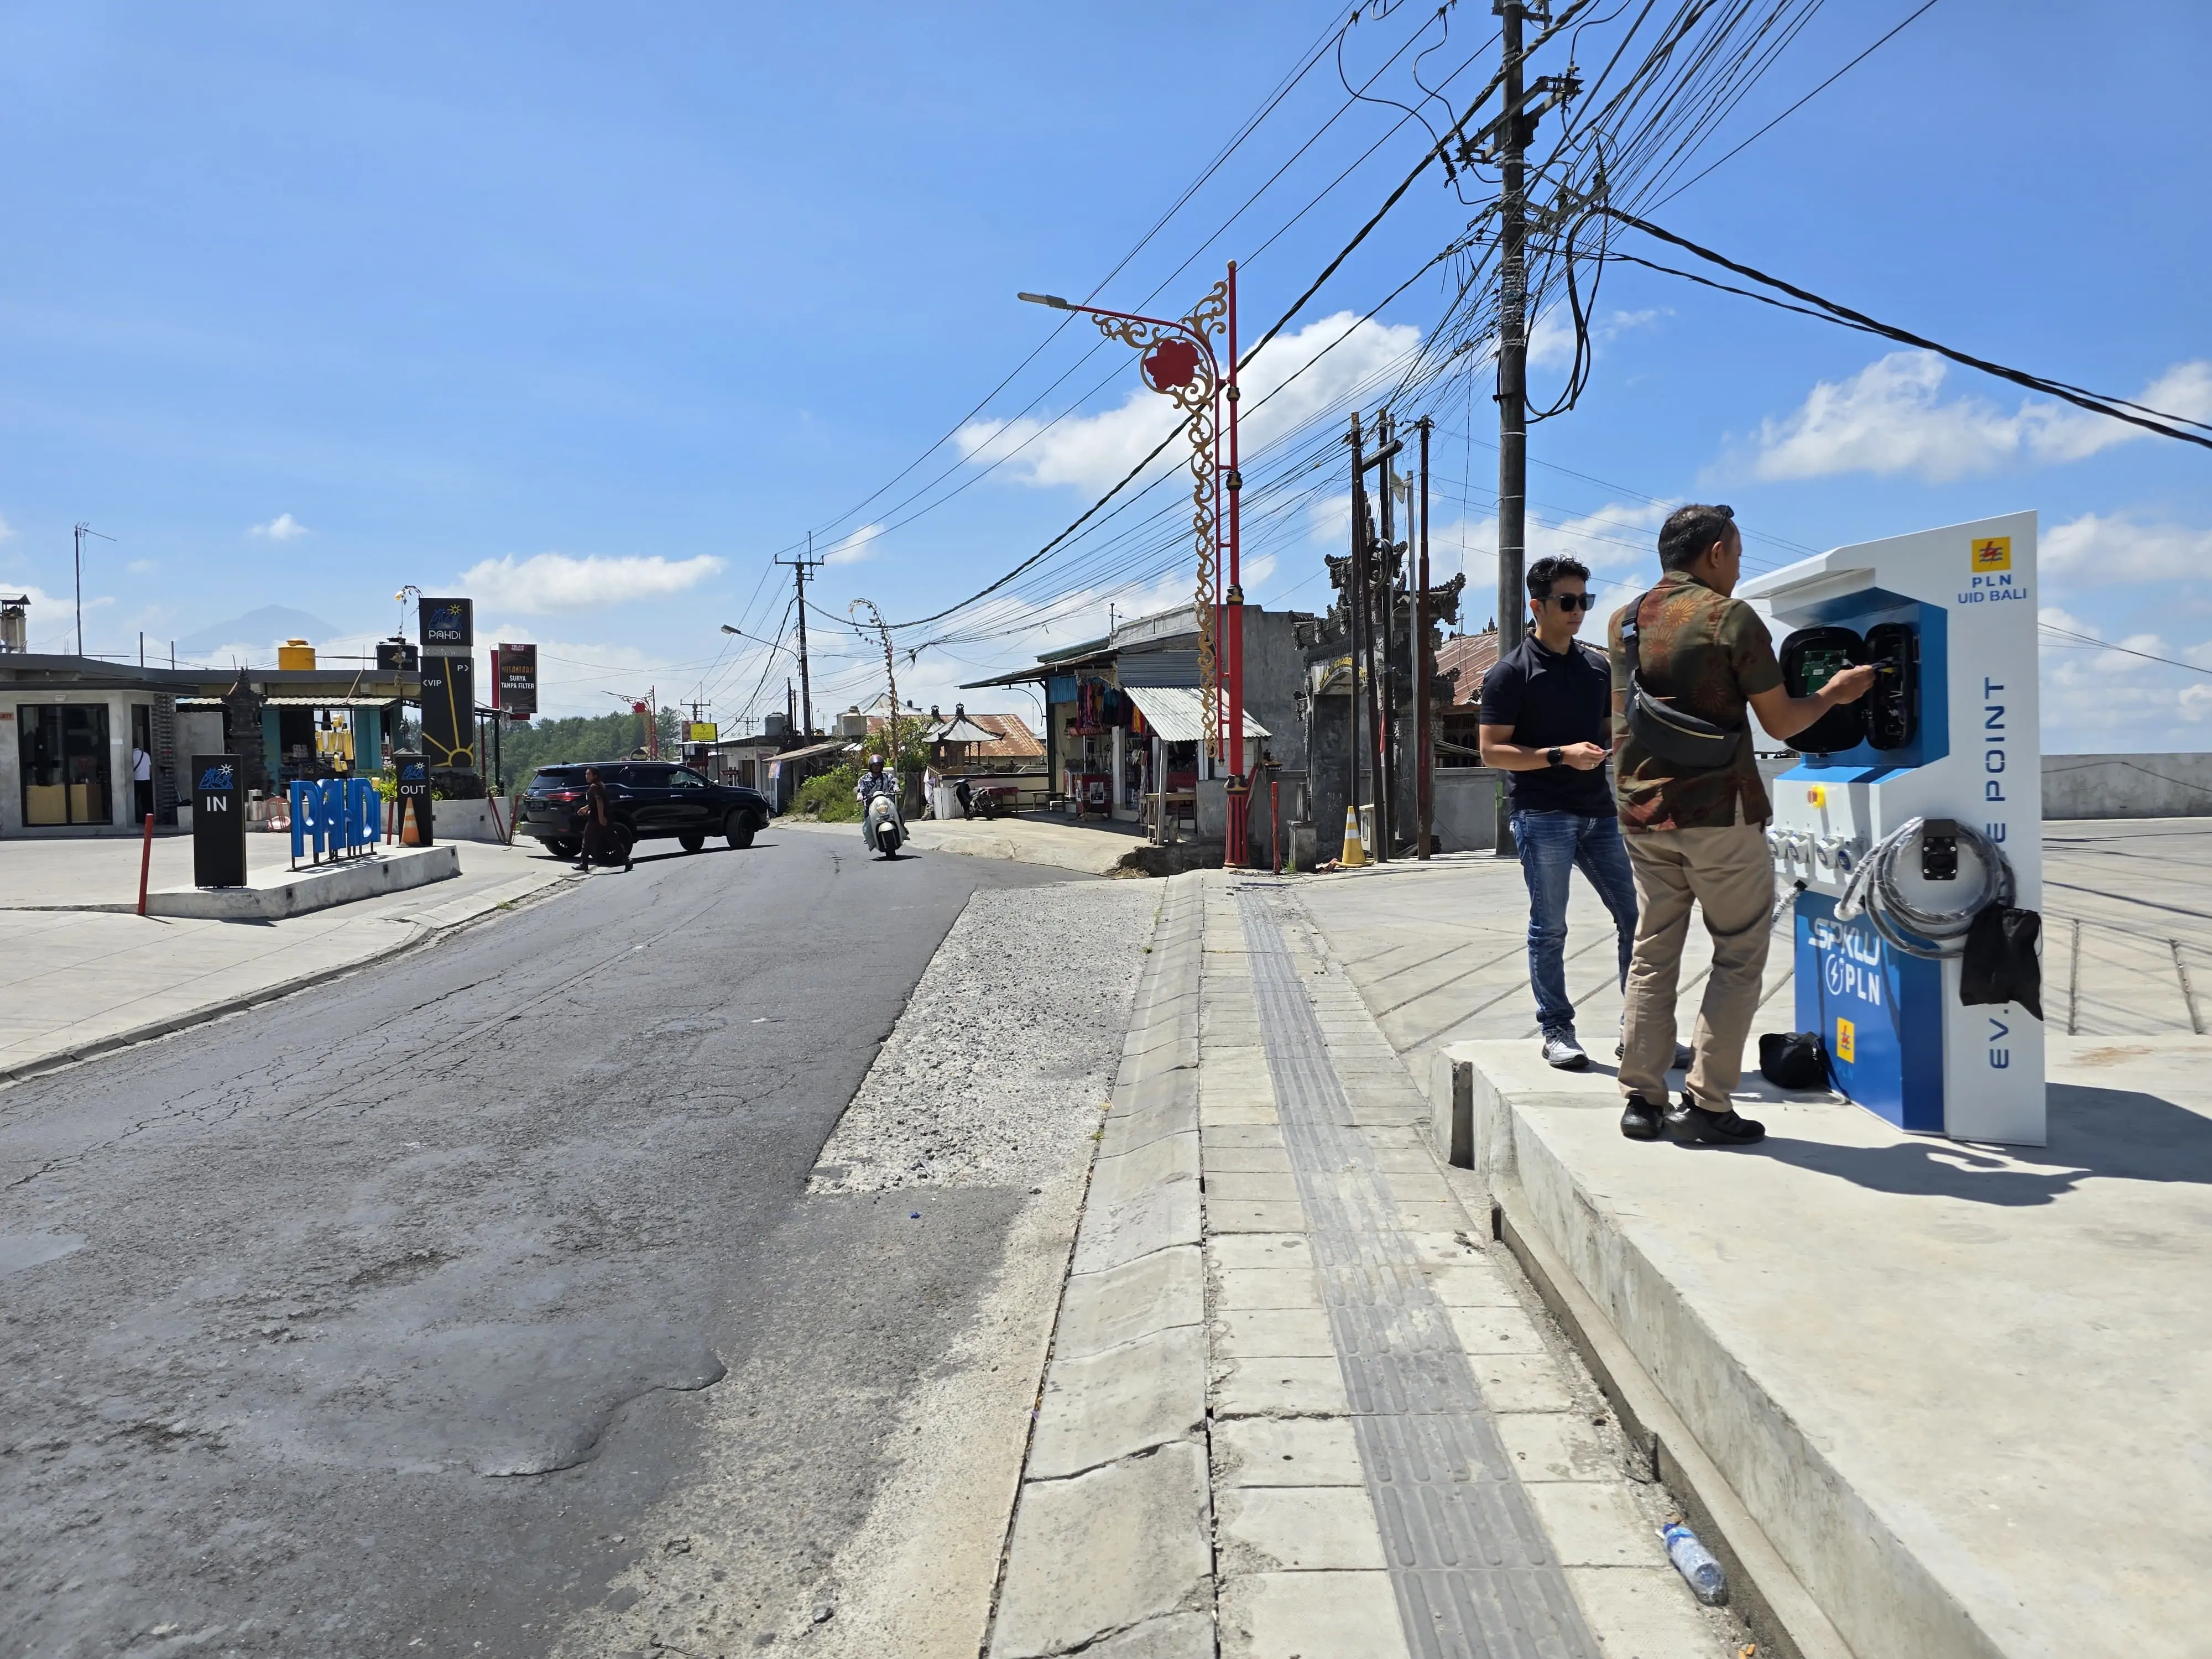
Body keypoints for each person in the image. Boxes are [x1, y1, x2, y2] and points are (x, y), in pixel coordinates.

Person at [1608, 504, 1876, 1145]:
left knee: (1652, 955)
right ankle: (1706, 1104)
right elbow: (1782, 722)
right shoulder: (1730, 618)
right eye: (1735, 549)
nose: (1738, 562)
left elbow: (1621, 719)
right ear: (1714, 554)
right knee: (1736, 954)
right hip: (1719, 815)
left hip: (1642, 812)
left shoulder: (1624, 623)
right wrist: (1837, 693)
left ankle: (1641, 1100)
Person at [1479, 555, 1639, 1071]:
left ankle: (1639, 1029)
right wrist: (1558, 755)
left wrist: (1610, 751)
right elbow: (1491, 751)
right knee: (1550, 927)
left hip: (1599, 811)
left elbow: (1610, 729)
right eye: (1567, 602)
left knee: (1635, 917)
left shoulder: (1597, 669)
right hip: (1541, 813)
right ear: (1538, 606)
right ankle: (1556, 1029)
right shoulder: (1510, 674)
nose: (1578, 612)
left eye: (1584, 601)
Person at [574, 765, 630, 872]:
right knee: (613, 839)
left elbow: (600, 803)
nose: (587, 776)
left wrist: (601, 818)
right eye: (586, 774)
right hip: (603, 816)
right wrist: (585, 808)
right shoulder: (600, 785)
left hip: (596, 818)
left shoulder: (594, 787)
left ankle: (583, 864)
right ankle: (626, 860)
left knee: (587, 840)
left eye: (589, 774)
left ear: (595, 775)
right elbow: (595, 803)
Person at [855, 753, 900, 851]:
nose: (876, 768)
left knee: (900, 816)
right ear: (871, 766)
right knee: (866, 827)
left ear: (881, 766)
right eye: (874, 766)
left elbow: (894, 783)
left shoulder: (887, 776)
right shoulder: (864, 779)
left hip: (887, 802)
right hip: (871, 805)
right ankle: (869, 839)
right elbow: (861, 790)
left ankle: (902, 830)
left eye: (878, 765)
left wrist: (896, 789)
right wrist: (860, 797)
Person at [131, 743, 154, 823]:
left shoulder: (131, 755)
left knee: (133, 801)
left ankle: (136, 819)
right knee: (146, 802)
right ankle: (148, 820)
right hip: (146, 780)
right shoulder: (146, 755)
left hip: (136, 780)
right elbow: (150, 768)